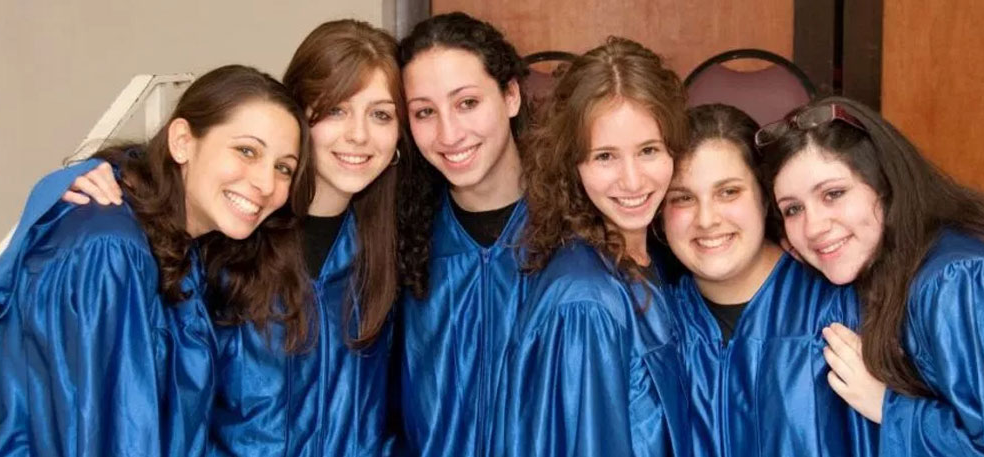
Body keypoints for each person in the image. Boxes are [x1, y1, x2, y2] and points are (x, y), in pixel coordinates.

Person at [59, 19, 407, 456]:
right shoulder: (226, 234)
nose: (358, 134)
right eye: (335, 109)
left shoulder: (394, 249)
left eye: (381, 114)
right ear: (296, 117)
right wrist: (90, 176)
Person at [0, 64, 313, 457]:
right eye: (247, 150)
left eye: (284, 168)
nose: (266, 184)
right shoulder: (111, 249)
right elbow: (107, 436)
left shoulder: (178, 239)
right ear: (182, 141)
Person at [759, 95, 984, 456]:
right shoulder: (918, 267)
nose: (813, 227)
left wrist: (890, 409)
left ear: (887, 187)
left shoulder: (965, 282)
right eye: (793, 210)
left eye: (833, 194)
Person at [498, 37, 690, 456]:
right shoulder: (587, 301)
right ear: (574, 165)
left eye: (649, 150)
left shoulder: (653, 257)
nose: (633, 181)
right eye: (605, 156)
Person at [661, 104, 876, 456]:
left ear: (766, 199)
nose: (706, 219)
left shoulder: (838, 309)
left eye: (728, 192)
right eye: (683, 198)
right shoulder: (655, 324)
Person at [392, 12, 532, 456]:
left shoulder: (576, 238)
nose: (449, 134)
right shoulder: (401, 243)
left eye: (467, 102)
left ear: (510, 95)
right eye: (425, 112)